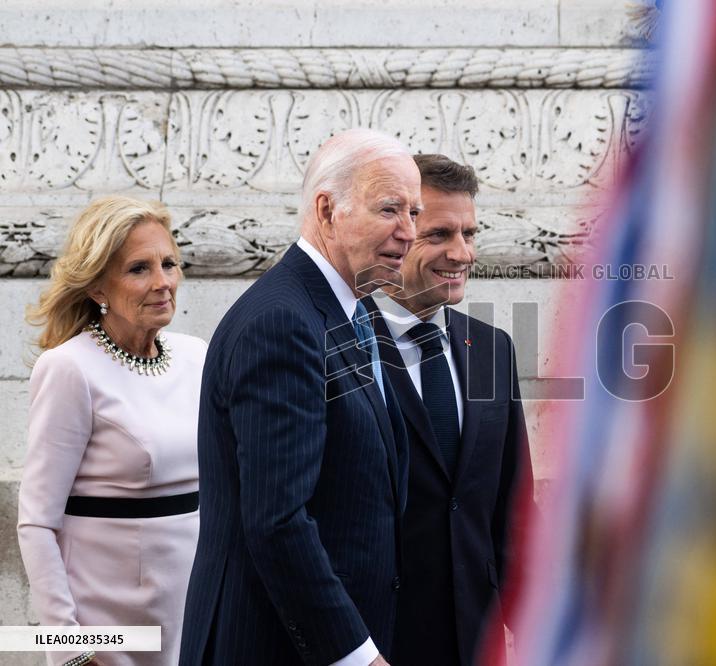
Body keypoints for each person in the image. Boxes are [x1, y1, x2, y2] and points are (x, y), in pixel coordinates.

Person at [180, 128, 418, 666]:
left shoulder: (349, 313)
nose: (409, 232)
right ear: (327, 209)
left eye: (414, 213)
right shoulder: (282, 323)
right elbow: (278, 520)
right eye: (390, 210)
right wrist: (356, 655)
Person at [17, 196, 207, 666]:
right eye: (139, 269)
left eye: (170, 263)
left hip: (192, 604)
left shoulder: (197, 356)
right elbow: (37, 522)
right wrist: (69, 651)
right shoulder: (69, 369)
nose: (163, 283)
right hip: (108, 627)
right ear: (99, 286)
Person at [364, 154, 534, 666]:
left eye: (469, 234)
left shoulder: (493, 348)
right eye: (439, 235)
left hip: (475, 641)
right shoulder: (334, 345)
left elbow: (512, 505)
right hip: (373, 643)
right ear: (394, 237)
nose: (461, 253)